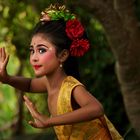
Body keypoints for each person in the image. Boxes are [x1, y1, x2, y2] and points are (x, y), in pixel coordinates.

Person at [0, 4, 123, 140]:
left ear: (63, 55)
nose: (34, 57)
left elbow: (96, 109)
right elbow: (29, 85)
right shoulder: (48, 83)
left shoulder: (71, 87)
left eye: (41, 50)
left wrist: (48, 121)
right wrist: (7, 79)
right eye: (32, 50)